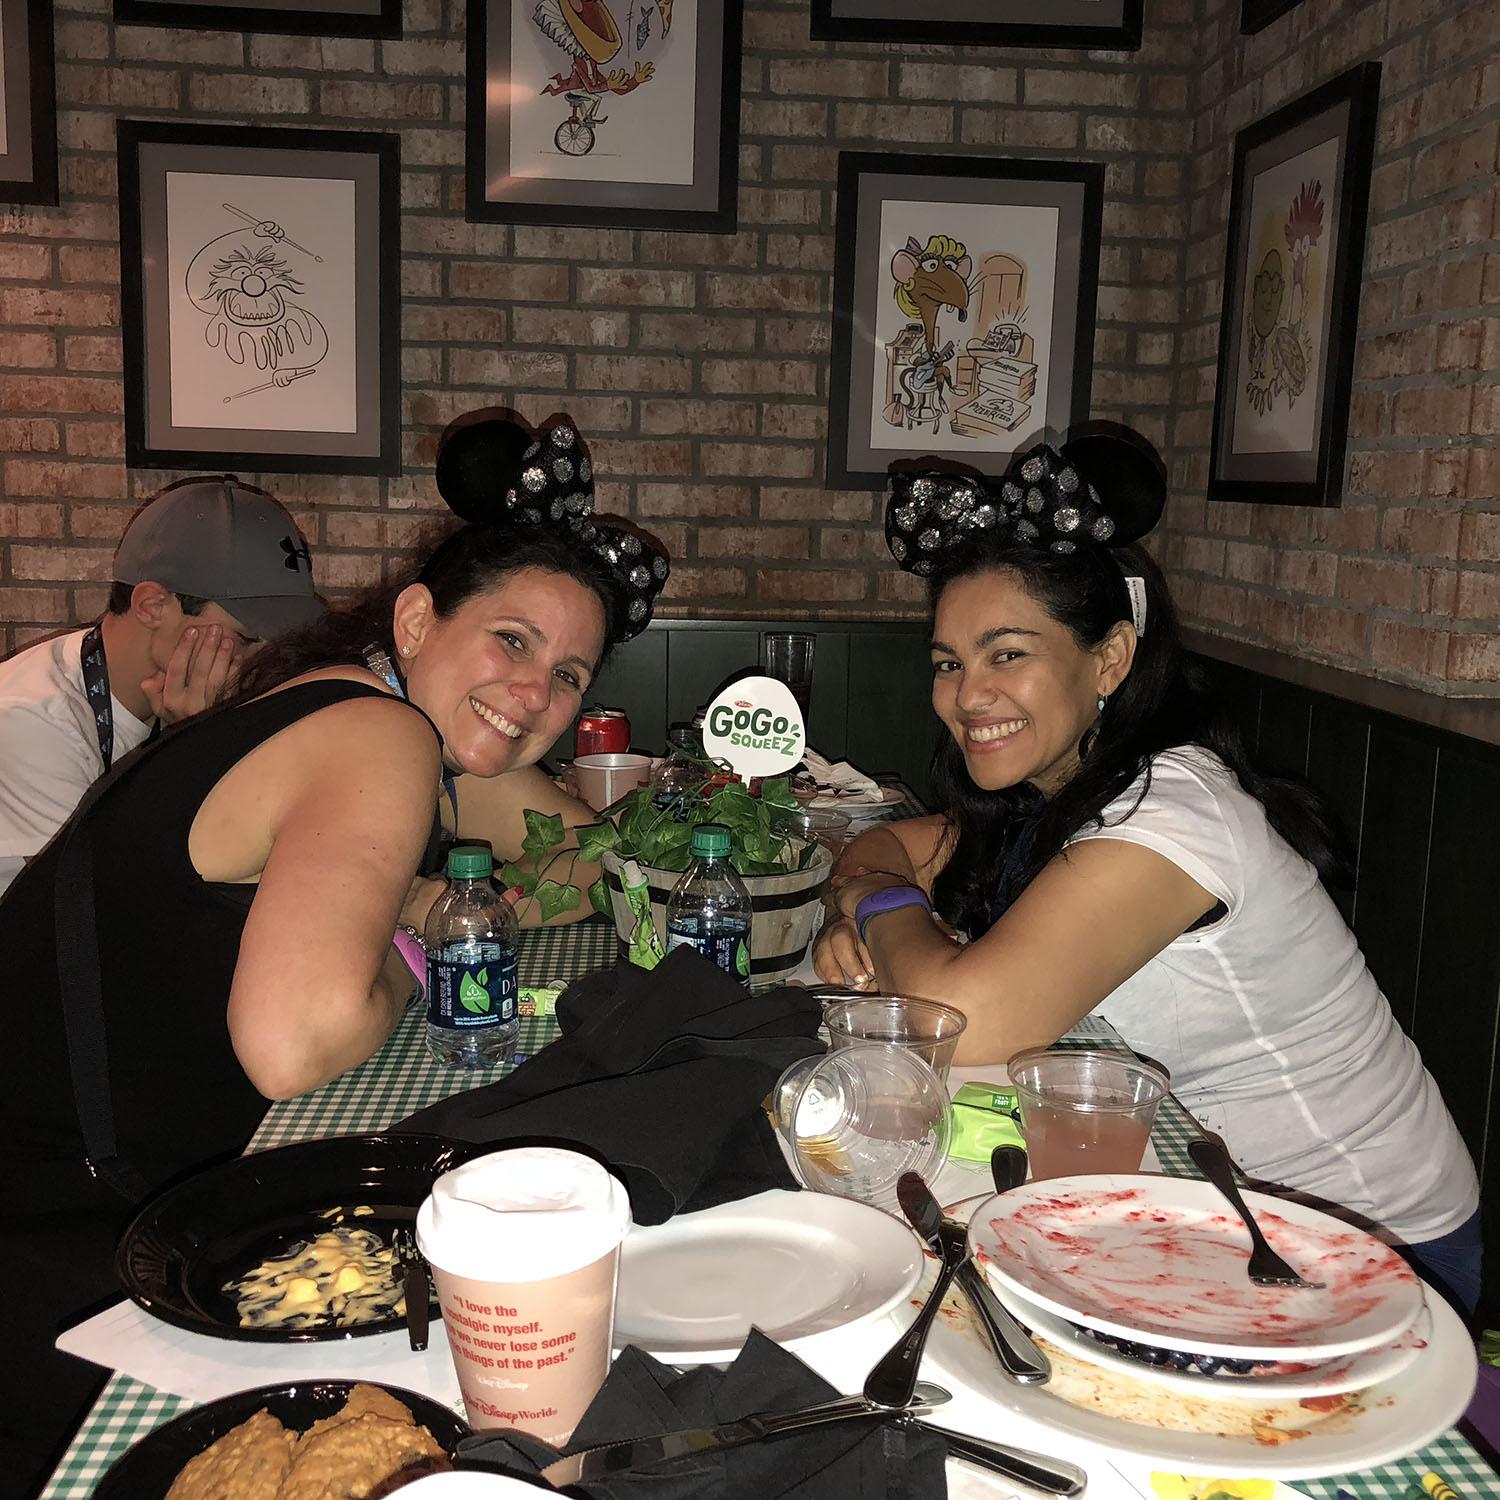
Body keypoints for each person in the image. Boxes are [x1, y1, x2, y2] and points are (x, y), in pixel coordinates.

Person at [0, 414, 669, 1493]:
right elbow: (295, 1044)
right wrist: (427, 934)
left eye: (569, 675)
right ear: (416, 620)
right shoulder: (380, 733)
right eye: (511, 641)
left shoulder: (370, 708)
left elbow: (590, 859)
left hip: (113, 1181)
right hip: (62, 1248)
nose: (535, 694)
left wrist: (472, 898)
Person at [814, 434, 1480, 1314]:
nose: (967, 696)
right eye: (949, 663)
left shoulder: (1168, 812)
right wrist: (867, 897)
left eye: (1008, 654)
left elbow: (965, 1020)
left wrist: (874, 903)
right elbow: (885, 844)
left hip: (1364, 1243)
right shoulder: (1054, 789)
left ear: (1110, 659)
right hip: (1208, 1197)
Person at [0, 475, 321, 898]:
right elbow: (109, 909)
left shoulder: (159, 692)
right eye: (246, 638)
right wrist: (195, 746)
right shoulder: (32, 724)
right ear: (152, 606)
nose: (264, 663)